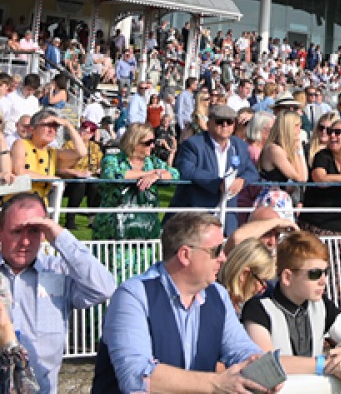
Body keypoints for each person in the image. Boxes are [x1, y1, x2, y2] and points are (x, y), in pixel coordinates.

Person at [92, 210, 262, 394]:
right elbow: (137, 377)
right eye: (216, 250)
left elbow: (241, 349)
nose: (223, 258)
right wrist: (215, 383)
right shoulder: (133, 295)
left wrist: (260, 366)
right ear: (185, 255)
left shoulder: (218, 295)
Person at [0, 191, 115, 394]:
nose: (25, 242)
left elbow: (104, 288)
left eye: (34, 231)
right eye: (16, 232)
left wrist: (59, 236)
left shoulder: (59, 271)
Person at [242, 230, 341, 383]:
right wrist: (327, 364)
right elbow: (266, 364)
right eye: (314, 274)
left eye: (325, 272)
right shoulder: (257, 308)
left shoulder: (322, 306)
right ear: (287, 277)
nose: (323, 280)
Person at [173, 102, 259, 234]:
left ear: (234, 125)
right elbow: (186, 169)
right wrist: (218, 183)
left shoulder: (239, 146)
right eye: (219, 121)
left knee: (227, 253)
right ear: (209, 124)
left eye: (229, 121)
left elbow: (252, 172)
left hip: (228, 217)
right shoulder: (193, 144)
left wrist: (242, 180)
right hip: (198, 214)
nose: (225, 125)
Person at [92, 121, 179, 241]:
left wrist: (158, 175)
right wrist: (149, 173)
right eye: (148, 143)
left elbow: (175, 174)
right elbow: (113, 174)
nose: (152, 146)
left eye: (153, 142)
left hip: (146, 230)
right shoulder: (112, 159)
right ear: (134, 142)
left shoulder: (153, 162)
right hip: (112, 231)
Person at [11, 108, 86, 205]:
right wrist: (49, 178)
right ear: (32, 129)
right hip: (18, 201)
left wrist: (68, 125)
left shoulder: (52, 152)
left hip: (41, 204)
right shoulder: (21, 144)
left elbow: (82, 152)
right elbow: (19, 172)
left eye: (55, 127)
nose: (51, 130)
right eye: (47, 125)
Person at [219, 237, 277, 313]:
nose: (263, 289)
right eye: (262, 281)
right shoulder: (215, 303)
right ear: (244, 274)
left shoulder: (240, 308)